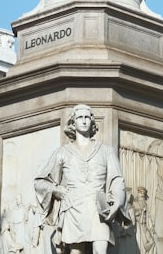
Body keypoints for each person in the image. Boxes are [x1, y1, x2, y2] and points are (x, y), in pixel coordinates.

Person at [34, 104, 128, 254]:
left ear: (92, 121)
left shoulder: (106, 151)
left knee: (100, 249)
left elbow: (117, 180)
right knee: (76, 252)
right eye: (79, 117)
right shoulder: (62, 153)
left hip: (98, 207)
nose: (83, 121)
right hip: (73, 206)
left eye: (87, 117)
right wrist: (57, 190)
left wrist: (116, 202)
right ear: (73, 122)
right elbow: (40, 182)